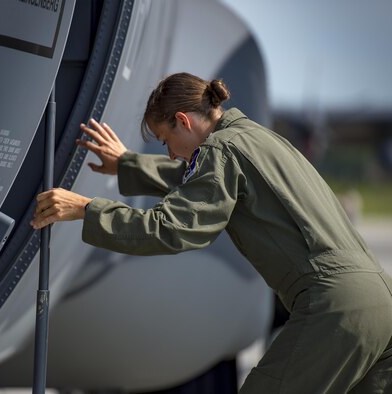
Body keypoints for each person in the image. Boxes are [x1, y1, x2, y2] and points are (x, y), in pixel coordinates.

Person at [30, 72, 392, 393]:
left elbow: (170, 227)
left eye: (164, 140)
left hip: (334, 308)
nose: (170, 154)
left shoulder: (219, 150)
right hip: (381, 301)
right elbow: (197, 180)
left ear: (183, 121)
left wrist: (86, 209)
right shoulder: (255, 138)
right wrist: (127, 165)